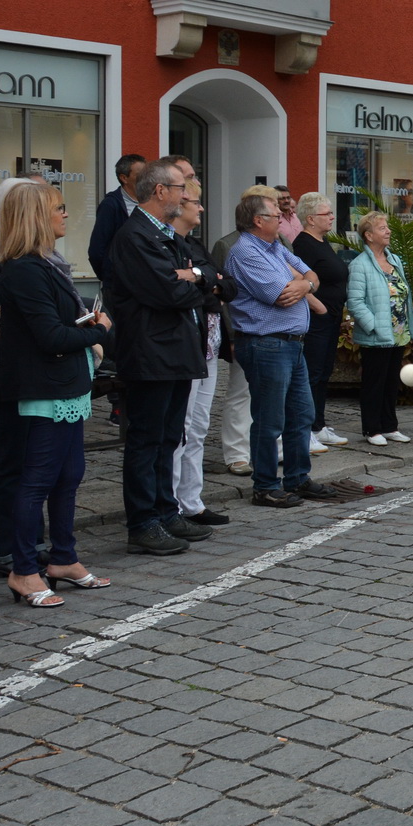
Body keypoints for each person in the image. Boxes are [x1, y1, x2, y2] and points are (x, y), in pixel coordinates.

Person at [0, 183, 115, 606]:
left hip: (67, 384)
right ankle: (23, 570)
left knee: (68, 476)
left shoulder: (49, 263)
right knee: (37, 481)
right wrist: (98, 331)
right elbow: (48, 336)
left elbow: (59, 323)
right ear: (36, 217)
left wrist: (86, 324)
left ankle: (63, 557)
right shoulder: (25, 268)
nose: (66, 215)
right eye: (58, 209)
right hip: (44, 388)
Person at [106, 159, 213, 553]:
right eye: (181, 188)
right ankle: (142, 522)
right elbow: (167, 292)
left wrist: (194, 277)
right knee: (146, 439)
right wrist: (192, 281)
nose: (187, 196)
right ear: (160, 192)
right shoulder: (135, 236)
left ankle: (166, 512)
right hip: (151, 351)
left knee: (170, 437)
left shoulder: (168, 236)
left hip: (176, 350)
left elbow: (207, 276)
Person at [225, 193, 334, 506]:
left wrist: (305, 284)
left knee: (301, 414)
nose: (284, 218)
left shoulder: (277, 247)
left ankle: (298, 478)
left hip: (291, 343)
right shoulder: (245, 251)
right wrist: (302, 283)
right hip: (267, 344)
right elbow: (280, 293)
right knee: (270, 419)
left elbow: (311, 275)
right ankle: (265, 485)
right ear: (259, 221)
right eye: (276, 215)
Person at [170, 181, 237, 527]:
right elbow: (192, 292)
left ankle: (192, 500)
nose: (202, 208)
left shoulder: (196, 245)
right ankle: (172, 505)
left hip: (208, 346)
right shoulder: (168, 244)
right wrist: (207, 282)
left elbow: (227, 287)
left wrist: (201, 279)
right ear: (178, 205)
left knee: (198, 427)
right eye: (196, 202)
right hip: (185, 346)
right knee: (179, 428)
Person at [211, 183, 281, 477]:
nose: (279, 213)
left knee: (275, 394)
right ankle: (237, 453)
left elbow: (299, 275)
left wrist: (305, 284)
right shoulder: (227, 245)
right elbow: (221, 295)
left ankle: (272, 447)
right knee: (241, 392)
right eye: (273, 208)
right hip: (244, 329)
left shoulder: (280, 243)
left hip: (277, 329)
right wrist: (229, 335)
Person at [344, 211, 413, 451]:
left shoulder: (394, 259)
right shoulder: (360, 265)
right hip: (377, 335)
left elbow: (403, 293)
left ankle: (390, 425)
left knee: (390, 382)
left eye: (387, 227)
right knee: (374, 383)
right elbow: (355, 302)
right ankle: (372, 428)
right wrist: (374, 327)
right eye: (382, 228)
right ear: (369, 235)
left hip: (397, 332)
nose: (388, 231)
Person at [290, 192, 351, 452]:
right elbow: (302, 280)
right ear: (311, 218)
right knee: (312, 372)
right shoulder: (304, 244)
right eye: (327, 214)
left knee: (324, 372)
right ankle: (307, 429)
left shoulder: (322, 241)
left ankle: (319, 424)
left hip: (332, 315)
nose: (332, 217)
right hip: (317, 318)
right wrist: (320, 306)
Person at [86, 153, 145, 291]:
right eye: (140, 174)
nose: (146, 179)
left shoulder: (150, 202)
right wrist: (110, 276)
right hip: (119, 285)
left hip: (143, 282)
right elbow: (97, 248)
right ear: (124, 178)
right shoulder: (111, 205)